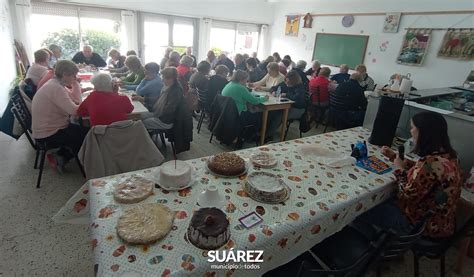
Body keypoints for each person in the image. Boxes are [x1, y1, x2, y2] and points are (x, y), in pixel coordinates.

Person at [356, 111, 462, 238]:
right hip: (443, 222)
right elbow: (425, 173)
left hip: (421, 227)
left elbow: (405, 195)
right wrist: (396, 157)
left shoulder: (430, 163)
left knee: (359, 208)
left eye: (412, 128)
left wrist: (399, 168)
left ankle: (374, 247)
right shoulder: (450, 156)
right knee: (378, 200)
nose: (411, 132)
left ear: (423, 133)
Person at [31, 60, 85, 172]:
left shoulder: (56, 83)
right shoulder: (55, 88)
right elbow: (75, 110)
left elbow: (75, 101)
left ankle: (63, 156)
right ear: (65, 75)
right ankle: (62, 157)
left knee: (82, 131)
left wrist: (75, 83)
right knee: (87, 134)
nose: (75, 77)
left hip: (47, 129)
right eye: (73, 75)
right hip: (48, 134)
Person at [266, 70, 307, 140]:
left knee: (279, 115)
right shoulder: (285, 82)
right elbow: (273, 88)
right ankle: (264, 131)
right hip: (287, 106)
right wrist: (273, 91)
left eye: (289, 82)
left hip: (298, 109)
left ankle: (268, 135)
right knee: (271, 112)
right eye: (286, 80)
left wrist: (286, 95)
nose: (287, 83)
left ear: (294, 81)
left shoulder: (300, 87)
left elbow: (297, 99)